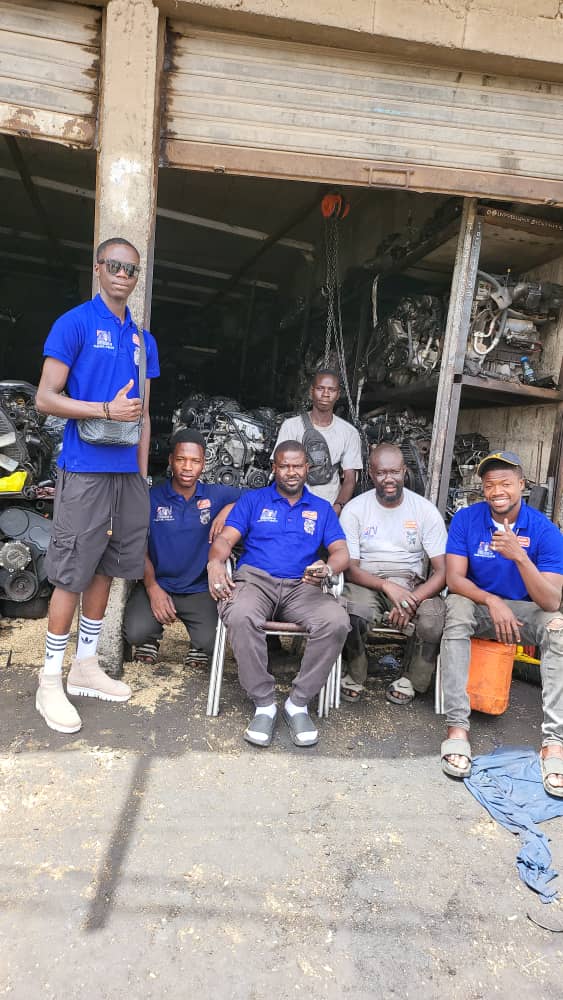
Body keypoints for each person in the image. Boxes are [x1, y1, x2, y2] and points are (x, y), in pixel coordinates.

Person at [35, 236, 159, 734]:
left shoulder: (143, 339)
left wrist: (142, 476)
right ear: (98, 268)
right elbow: (45, 398)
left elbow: (144, 415)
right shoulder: (75, 323)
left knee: (109, 566)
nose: (123, 275)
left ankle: (85, 665)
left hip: (126, 474)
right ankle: (49, 678)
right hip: (85, 467)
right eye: (115, 266)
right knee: (72, 571)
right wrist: (104, 409)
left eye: (131, 269)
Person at [207, 440, 350, 748]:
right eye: (284, 466)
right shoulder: (253, 500)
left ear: (307, 468)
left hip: (303, 586)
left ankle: (298, 703)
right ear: (274, 468)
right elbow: (225, 540)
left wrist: (327, 567)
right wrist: (215, 562)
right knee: (240, 614)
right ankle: (264, 704)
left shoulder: (322, 509)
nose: (291, 472)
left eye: (297, 466)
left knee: (336, 620)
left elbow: (341, 552)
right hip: (256, 581)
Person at [440, 450, 563, 796]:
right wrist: (491, 600)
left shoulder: (545, 530)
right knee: (456, 609)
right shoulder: (466, 519)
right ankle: (457, 728)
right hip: (480, 606)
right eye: (490, 484)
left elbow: (551, 601)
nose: (497, 491)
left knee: (557, 627)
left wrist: (519, 556)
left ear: (522, 485)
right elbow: (454, 579)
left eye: (505, 483)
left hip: (523, 613)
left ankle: (554, 743)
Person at [123, 429, 242, 667]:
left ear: (204, 463)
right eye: (181, 459)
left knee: (212, 643)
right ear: (170, 461)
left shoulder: (216, 494)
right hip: (159, 583)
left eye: (195, 461)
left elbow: (259, 497)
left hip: (199, 589)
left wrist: (229, 509)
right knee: (135, 633)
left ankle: (198, 646)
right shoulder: (151, 497)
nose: (187, 467)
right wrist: (152, 587)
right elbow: (138, 547)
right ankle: (150, 639)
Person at [339, 443, 446, 705]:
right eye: (381, 472)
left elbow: (444, 571)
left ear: (404, 471)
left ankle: (412, 679)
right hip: (368, 582)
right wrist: (388, 587)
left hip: (412, 585)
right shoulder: (355, 509)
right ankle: (356, 670)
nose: (389, 479)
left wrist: (412, 599)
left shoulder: (424, 510)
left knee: (433, 618)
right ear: (371, 474)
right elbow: (350, 568)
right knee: (351, 611)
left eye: (395, 472)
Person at [273, 369, 363, 513]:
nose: (325, 394)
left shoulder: (349, 432)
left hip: (328, 506)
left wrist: (337, 508)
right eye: (320, 388)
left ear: (338, 394)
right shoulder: (291, 426)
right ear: (311, 391)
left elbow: (350, 479)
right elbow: (279, 470)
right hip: (290, 506)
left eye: (331, 390)